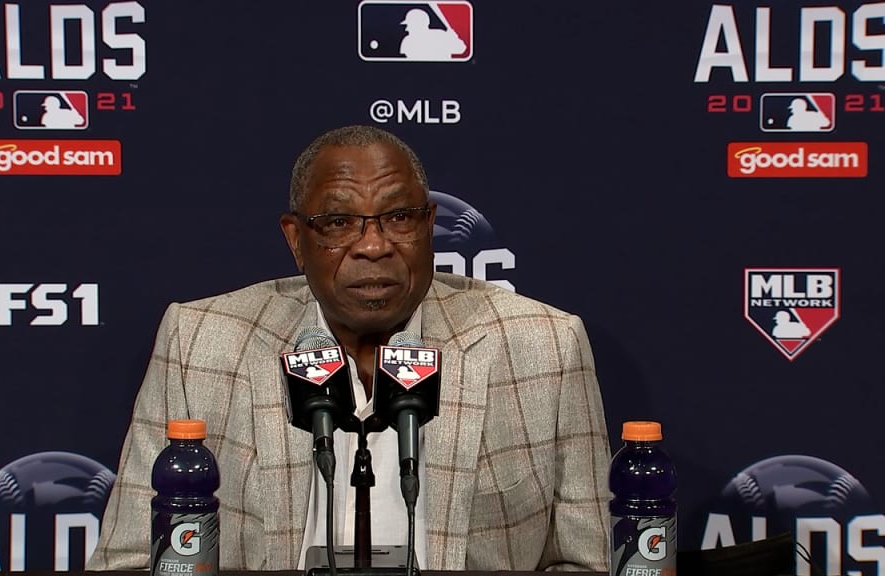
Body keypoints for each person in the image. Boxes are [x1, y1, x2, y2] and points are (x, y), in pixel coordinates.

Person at [88, 125, 610, 572]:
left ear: (429, 225)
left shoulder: (543, 347)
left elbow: (591, 564)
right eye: (338, 223)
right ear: (296, 240)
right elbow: (131, 562)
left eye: (399, 217)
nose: (373, 245)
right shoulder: (199, 343)